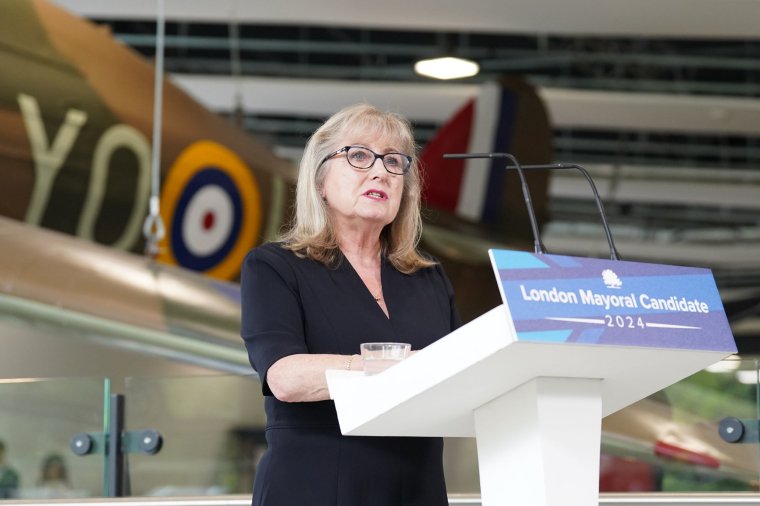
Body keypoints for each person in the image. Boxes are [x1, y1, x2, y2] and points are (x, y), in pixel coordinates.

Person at [240, 103, 461, 505]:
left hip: (417, 489)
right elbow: (285, 378)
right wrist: (392, 365)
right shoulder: (276, 267)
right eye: (359, 156)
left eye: (394, 162)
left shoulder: (429, 279)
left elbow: (462, 381)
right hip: (315, 488)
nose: (380, 171)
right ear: (320, 180)